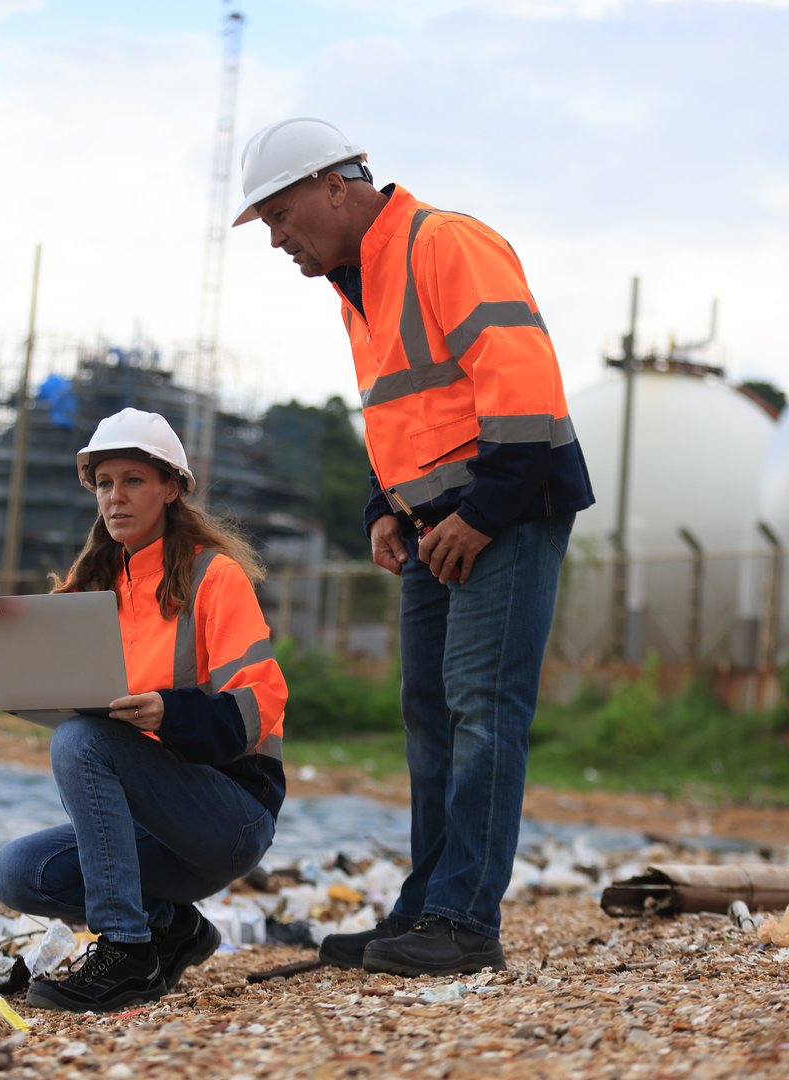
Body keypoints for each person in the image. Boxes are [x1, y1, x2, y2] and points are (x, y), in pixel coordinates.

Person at [232, 118, 594, 977]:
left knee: (481, 713)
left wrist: (487, 512)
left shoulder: (443, 243)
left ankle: (465, 923)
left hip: (500, 512)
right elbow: (399, 409)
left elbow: (525, 386)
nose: (277, 240)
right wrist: (381, 509)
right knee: (430, 720)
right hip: (436, 522)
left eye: (280, 216)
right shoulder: (360, 279)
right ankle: (424, 909)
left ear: (334, 185)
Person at [0, 407, 289, 1012]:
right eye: (105, 483)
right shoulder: (94, 582)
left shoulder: (216, 577)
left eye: (133, 480)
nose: (116, 497)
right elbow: (27, 677)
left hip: (230, 817)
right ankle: (173, 927)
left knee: (80, 741)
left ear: (171, 488)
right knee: (17, 872)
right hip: (151, 830)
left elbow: (260, 704)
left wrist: (170, 712)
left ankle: (127, 952)